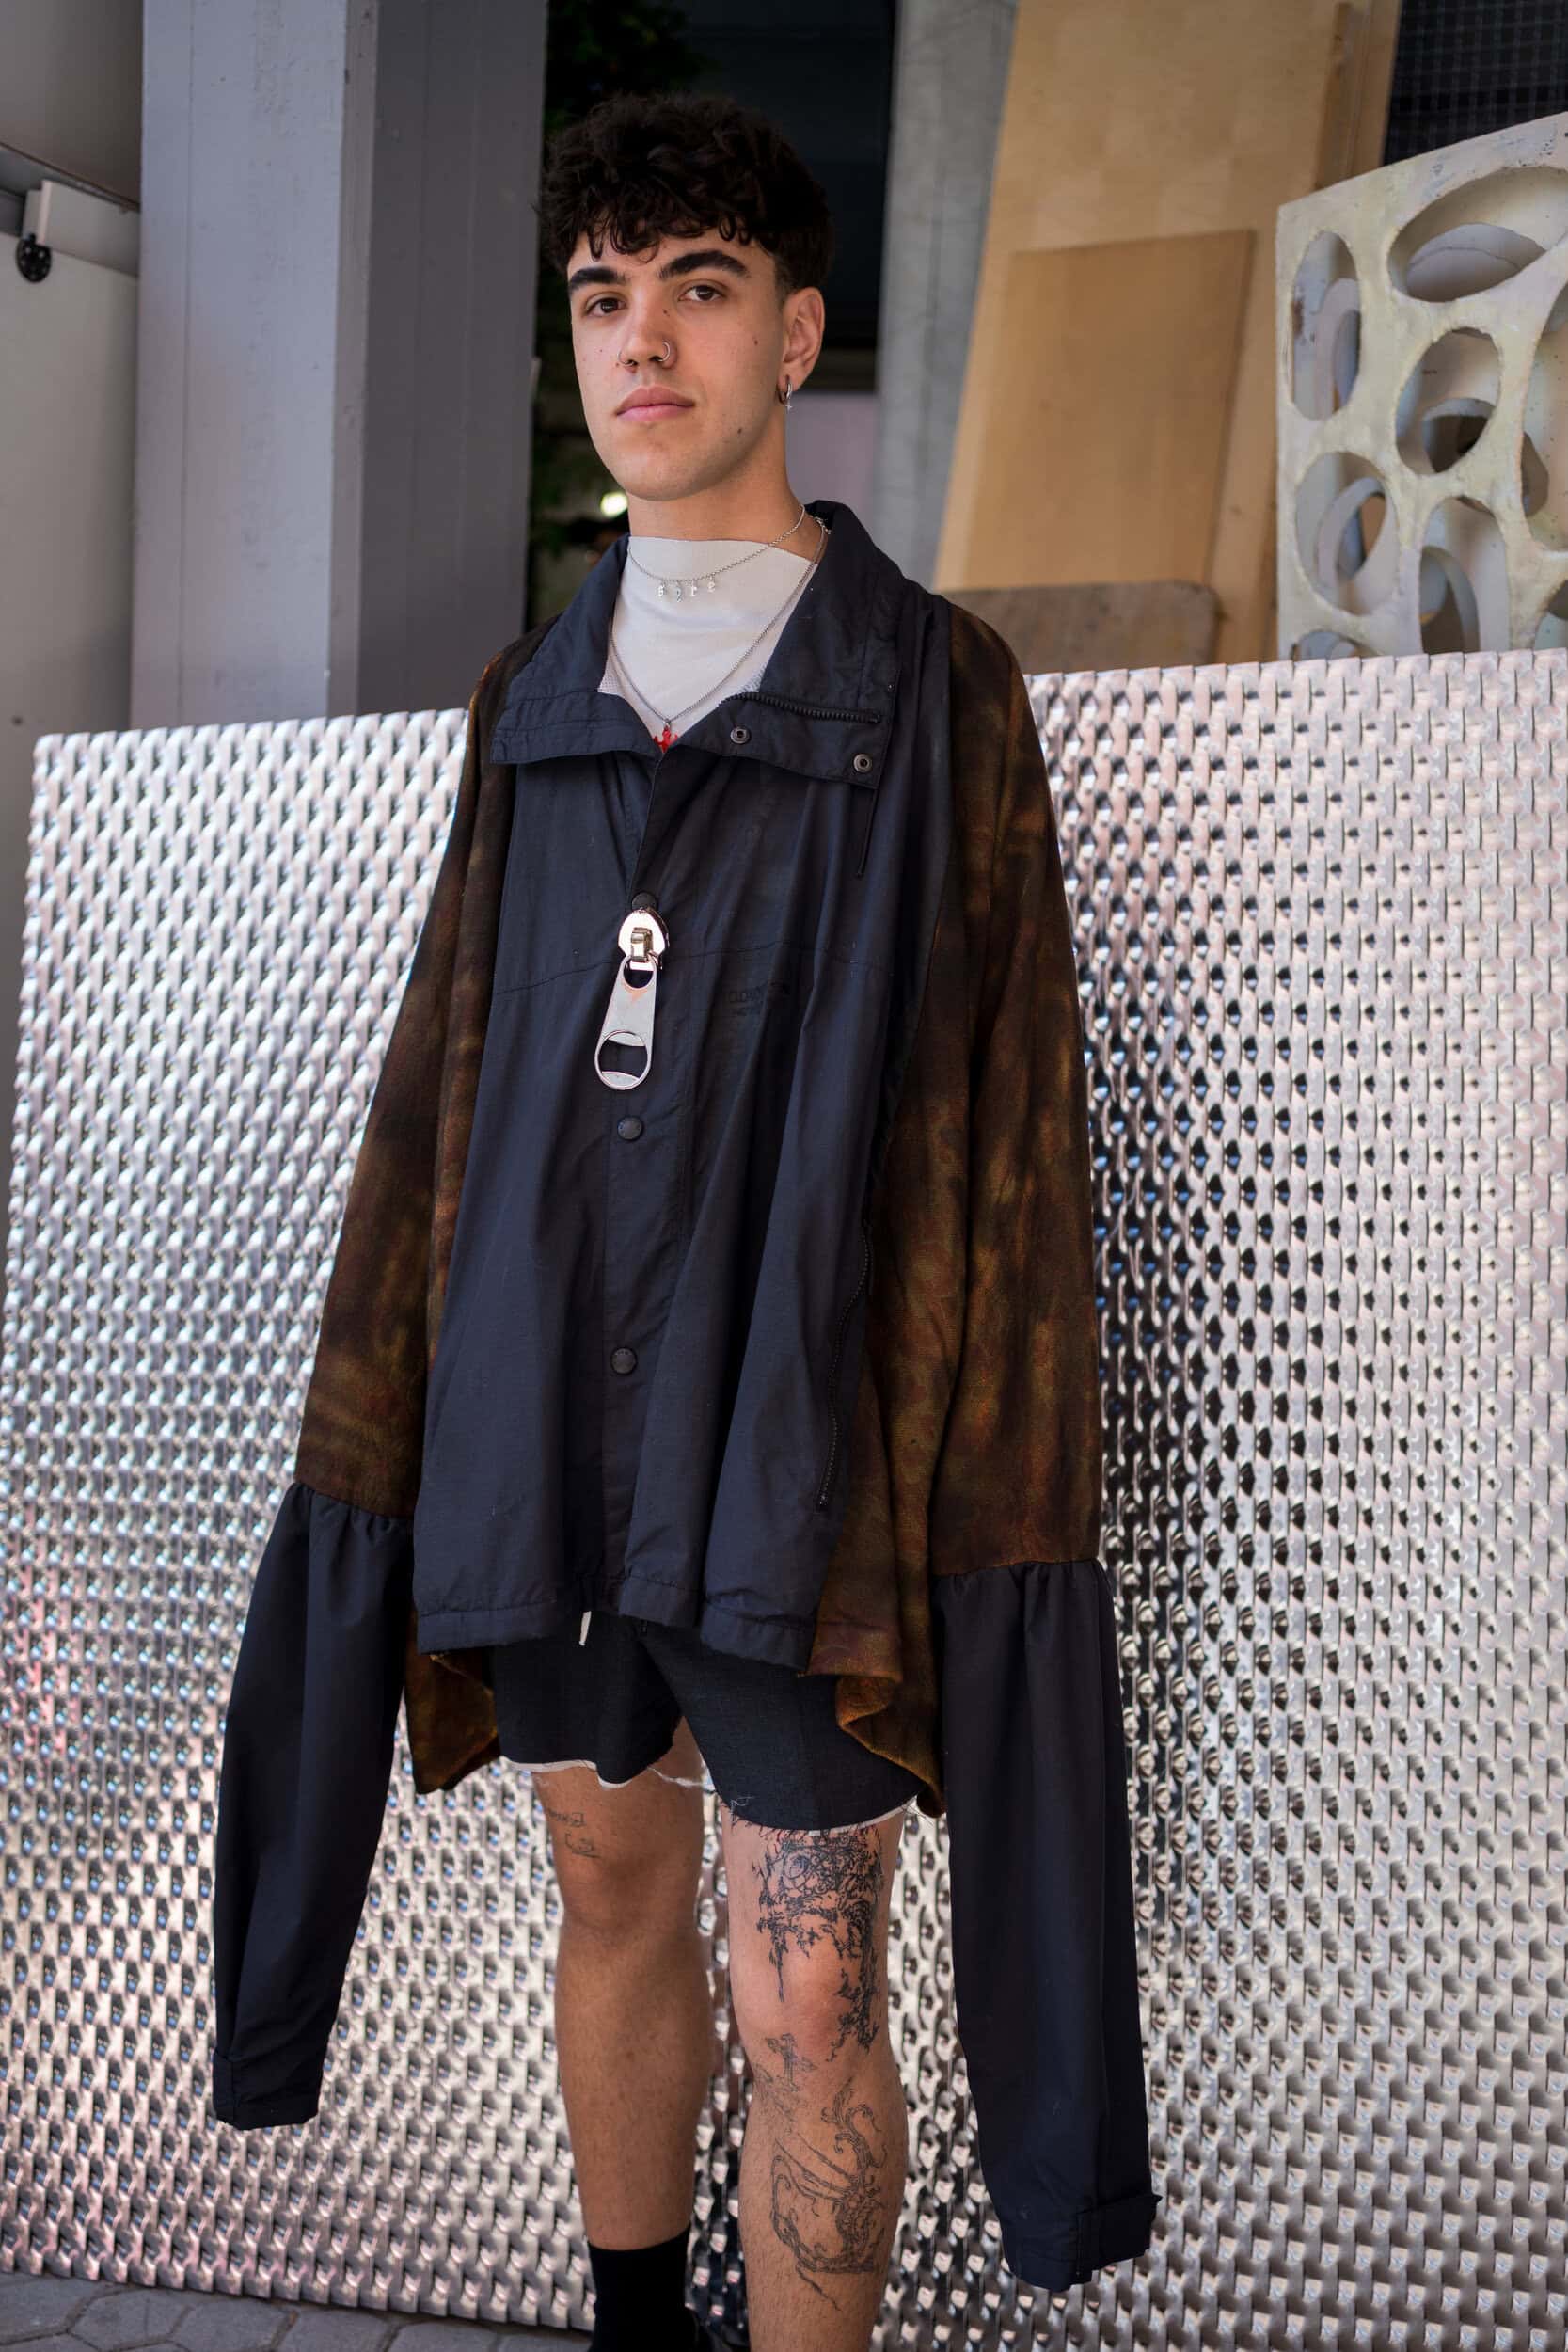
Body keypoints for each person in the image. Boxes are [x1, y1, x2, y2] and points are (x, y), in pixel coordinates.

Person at [211, 87, 1158, 2352]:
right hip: (552, 1427)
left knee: (808, 1977)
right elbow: (449, 1096)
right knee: (609, 1885)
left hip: (801, 1449)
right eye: (603, 297)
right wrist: (404, 1424)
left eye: (699, 290)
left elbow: (1014, 1129)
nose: (642, 342)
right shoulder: (528, 706)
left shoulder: (932, 689)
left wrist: (987, 1489)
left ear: (794, 333)